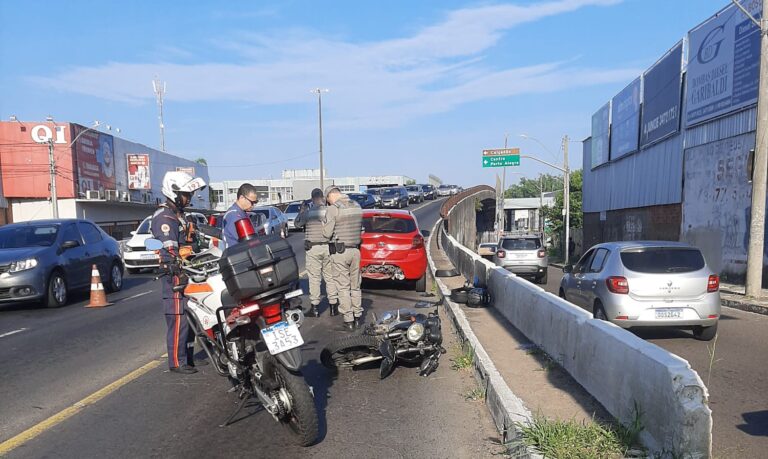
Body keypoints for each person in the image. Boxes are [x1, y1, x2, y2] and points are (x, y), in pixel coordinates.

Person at [151, 171, 207, 375]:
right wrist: (178, 269)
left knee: (191, 317)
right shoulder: (164, 217)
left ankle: (189, 357)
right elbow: (169, 250)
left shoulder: (178, 215)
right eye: (185, 194)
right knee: (178, 318)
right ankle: (177, 361)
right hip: (174, 275)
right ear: (174, 192)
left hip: (188, 272)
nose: (189, 197)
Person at [322, 186, 363, 330]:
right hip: (356, 251)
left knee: (343, 287)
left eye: (327, 200)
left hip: (340, 252)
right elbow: (361, 229)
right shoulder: (357, 205)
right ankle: (358, 317)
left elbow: (326, 234)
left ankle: (349, 320)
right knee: (355, 286)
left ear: (330, 196)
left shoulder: (334, 209)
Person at [294, 188, 338, 318]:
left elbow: (297, 224)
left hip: (313, 248)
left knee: (314, 279)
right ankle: (333, 306)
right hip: (328, 247)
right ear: (323, 198)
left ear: (312, 198)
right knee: (330, 278)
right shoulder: (329, 211)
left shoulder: (308, 213)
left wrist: (302, 211)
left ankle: (315, 308)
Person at [222, 183, 259, 248]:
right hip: (236, 255)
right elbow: (249, 242)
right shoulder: (233, 215)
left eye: (255, 202)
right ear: (242, 197)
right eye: (252, 202)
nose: (253, 205)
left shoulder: (242, 213)